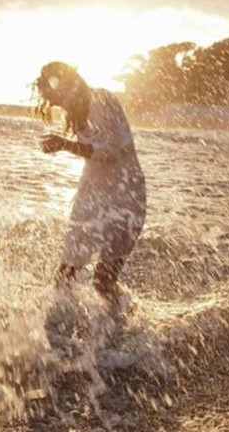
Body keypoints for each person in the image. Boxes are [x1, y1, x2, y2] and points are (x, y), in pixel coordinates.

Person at [34, 62, 145, 312]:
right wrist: (65, 143)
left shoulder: (101, 99)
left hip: (124, 199)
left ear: (66, 86)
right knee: (65, 275)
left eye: (56, 99)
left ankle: (124, 324)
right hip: (93, 198)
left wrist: (64, 144)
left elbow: (109, 150)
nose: (56, 106)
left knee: (103, 282)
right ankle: (63, 333)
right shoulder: (79, 113)